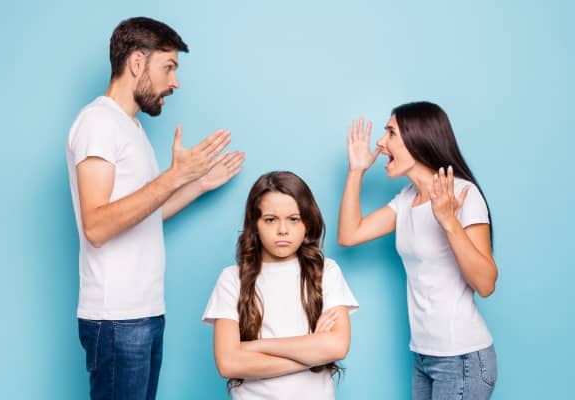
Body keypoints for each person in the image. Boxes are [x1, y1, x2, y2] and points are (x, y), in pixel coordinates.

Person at [66, 17, 244, 400]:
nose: (174, 82)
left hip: (142, 313)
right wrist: (174, 176)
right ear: (136, 62)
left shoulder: (130, 127)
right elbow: (96, 225)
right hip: (116, 319)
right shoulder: (98, 123)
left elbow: (140, 217)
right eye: (168, 67)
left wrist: (197, 183)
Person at [337, 101, 498, 399]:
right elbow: (349, 234)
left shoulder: (462, 193)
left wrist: (449, 222)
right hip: (424, 356)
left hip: (461, 358)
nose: (380, 142)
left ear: (418, 139)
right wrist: (356, 171)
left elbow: (486, 284)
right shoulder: (406, 198)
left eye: (391, 133)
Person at [202, 171, 358, 399]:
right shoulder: (232, 279)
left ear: (307, 223)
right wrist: (313, 353)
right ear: (255, 225)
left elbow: (337, 347)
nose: (282, 230)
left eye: (293, 219)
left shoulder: (326, 271)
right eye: (270, 219)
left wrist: (254, 346)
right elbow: (229, 363)